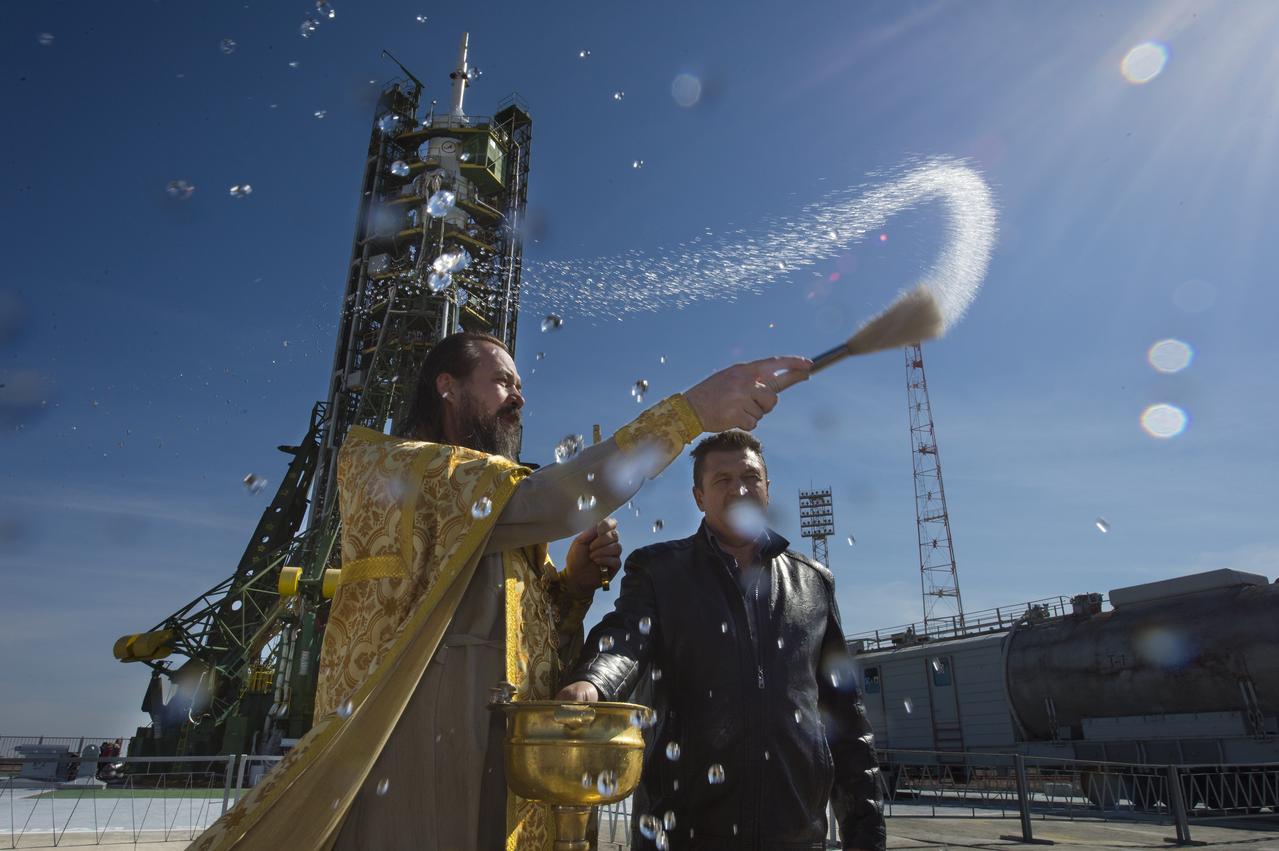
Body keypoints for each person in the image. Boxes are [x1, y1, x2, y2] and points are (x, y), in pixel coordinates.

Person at [193, 332, 812, 850]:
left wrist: (571, 585)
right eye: (502, 381)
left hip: (502, 755)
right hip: (417, 755)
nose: (519, 396)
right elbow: (553, 497)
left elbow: (536, 635)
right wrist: (690, 412)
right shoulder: (396, 466)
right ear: (448, 386)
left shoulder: (494, 516)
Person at [559, 429, 886, 851]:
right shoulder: (660, 571)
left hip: (796, 836)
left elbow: (848, 723)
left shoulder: (814, 584)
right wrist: (594, 681)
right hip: (681, 835)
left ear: (768, 490)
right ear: (699, 497)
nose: (739, 488)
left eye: (750, 477)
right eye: (722, 480)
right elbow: (624, 638)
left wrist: (867, 838)